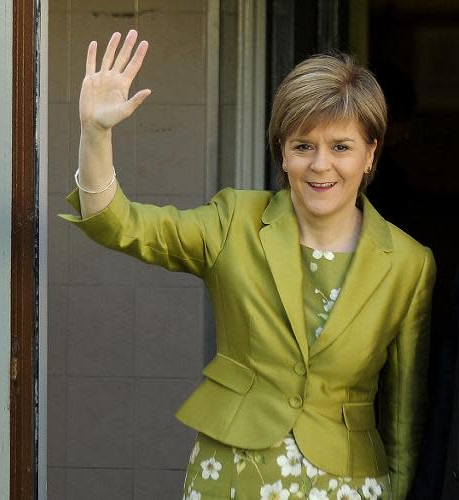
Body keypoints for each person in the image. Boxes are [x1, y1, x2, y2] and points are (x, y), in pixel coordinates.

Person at [60, 30, 436, 500]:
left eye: (341, 146)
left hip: (350, 484)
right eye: (303, 146)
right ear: (282, 151)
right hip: (232, 478)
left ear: (370, 154)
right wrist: (95, 134)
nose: (321, 165)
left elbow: (404, 419)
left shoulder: (409, 264)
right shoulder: (235, 221)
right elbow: (119, 224)